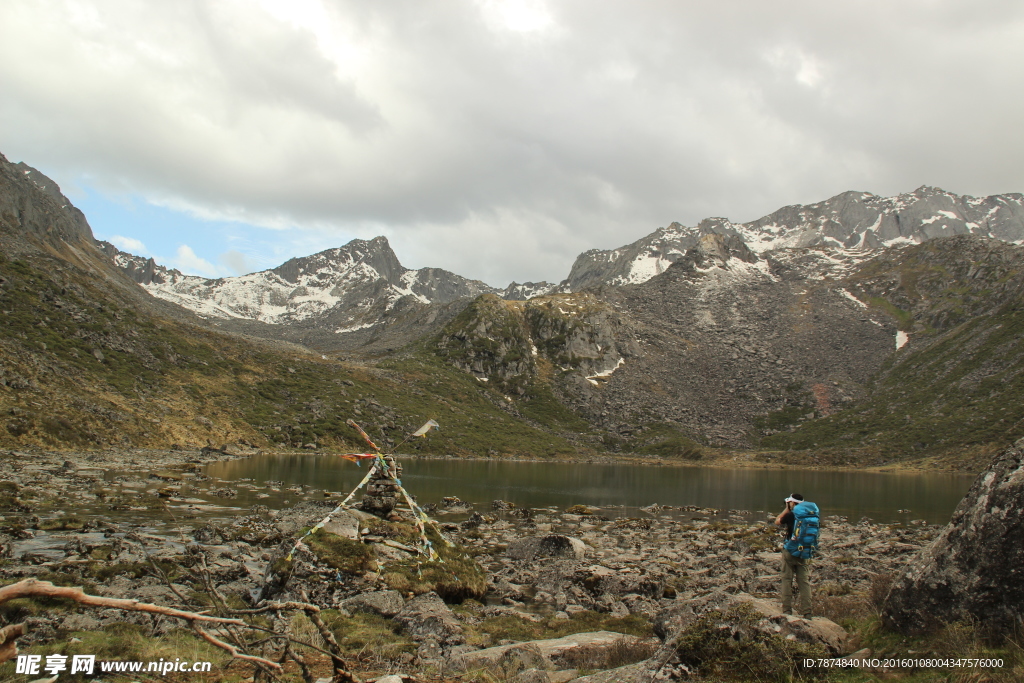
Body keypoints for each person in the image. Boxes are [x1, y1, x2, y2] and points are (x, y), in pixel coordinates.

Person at [775, 493, 812, 617]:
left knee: (786, 579)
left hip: (790, 550)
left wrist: (786, 509)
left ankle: (787, 610)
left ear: (792, 503)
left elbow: (777, 521)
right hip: (804, 551)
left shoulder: (791, 514)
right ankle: (807, 612)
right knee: (804, 582)